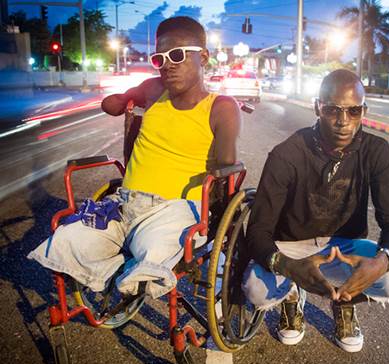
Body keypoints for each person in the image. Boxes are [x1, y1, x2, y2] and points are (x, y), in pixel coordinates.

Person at [28, 16, 241, 299]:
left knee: (157, 248)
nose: (167, 65)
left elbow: (227, 170)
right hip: (124, 202)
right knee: (67, 240)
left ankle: (135, 271)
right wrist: (123, 99)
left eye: (177, 55)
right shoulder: (153, 89)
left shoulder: (221, 107)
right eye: (159, 58)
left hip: (173, 210)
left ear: (203, 57)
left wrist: (221, 218)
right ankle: (120, 271)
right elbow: (111, 104)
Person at [244, 69, 389, 353]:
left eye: (353, 111)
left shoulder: (376, 151)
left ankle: (346, 299)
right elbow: (258, 230)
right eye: (333, 110)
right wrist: (288, 266)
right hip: (292, 246)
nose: (343, 121)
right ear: (317, 107)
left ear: (364, 111)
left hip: (345, 248)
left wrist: (382, 261)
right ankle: (291, 293)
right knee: (255, 289)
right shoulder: (287, 154)